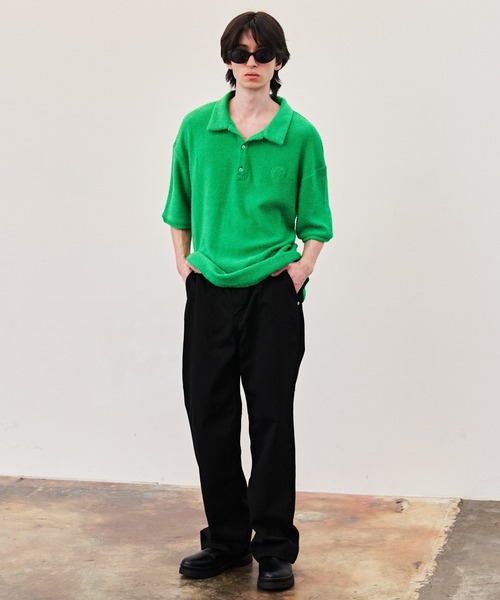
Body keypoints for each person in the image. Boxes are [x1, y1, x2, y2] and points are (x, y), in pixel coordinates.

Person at [162, 11, 333, 591]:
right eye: (240, 53)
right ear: (227, 60)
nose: (251, 62)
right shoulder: (196, 127)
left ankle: (275, 548)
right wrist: (184, 263)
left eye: (262, 53)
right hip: (209, 287)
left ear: (279, 60)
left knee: (270, 420)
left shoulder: (300, 134)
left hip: (272, 294)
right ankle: (227, 542)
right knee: (209, 415)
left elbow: (316, 219)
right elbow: (179, 204)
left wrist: (302, 268)